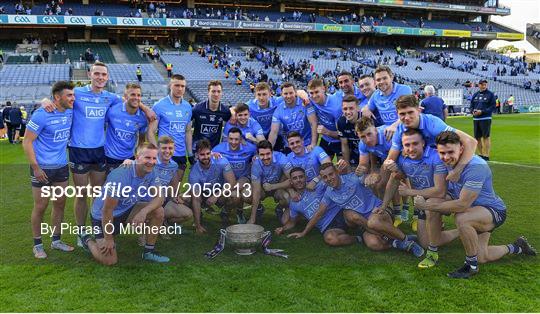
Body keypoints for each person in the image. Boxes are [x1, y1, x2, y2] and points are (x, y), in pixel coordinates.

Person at [42, 61, 155, 248]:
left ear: (107, 77)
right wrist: (45, 101)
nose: (100, 77)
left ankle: (98, 229)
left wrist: (145, 108)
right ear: (89, 75)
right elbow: (57, 99)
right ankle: (80, 232)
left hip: (99, 151)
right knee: (81, 194)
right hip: (78, 150)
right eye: (97, 74)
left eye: (103, 74)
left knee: (98, 193)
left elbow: (131, 100)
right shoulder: (77, 94)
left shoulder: (110, 98)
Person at [414, 131, 537, 278]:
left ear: (461, 149)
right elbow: (440, 191)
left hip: (491, 211)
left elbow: (462, 205)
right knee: (435, 203)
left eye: (450, 152)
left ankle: (471, 266)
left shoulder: (476, 166)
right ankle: (432, 252)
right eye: (442, 153)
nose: (446, 157)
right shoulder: (441, 161)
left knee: (463, 220)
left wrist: (425, 206)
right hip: (471, 209)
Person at [287, 163, 425, 257]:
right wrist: (304, 232)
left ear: (337, 172)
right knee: (374, 244)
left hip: (379, 212)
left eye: (331, 174)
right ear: (322, 179)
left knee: (373, 223)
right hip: (364, 223)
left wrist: (373, 177)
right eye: (325, 177)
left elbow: (372, 178)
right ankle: (395, 241)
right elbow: (319, 213)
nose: (329, 179)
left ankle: (407, 241)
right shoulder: (329, 192)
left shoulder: (352, 178)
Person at [82, 144, 171, 265]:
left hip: (126, 211)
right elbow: (107, 210)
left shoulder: (152, 171)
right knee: (110, 261)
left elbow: (160, 197)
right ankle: (87, 240)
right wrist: (108, 239)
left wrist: (143, 212)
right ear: (137, 157)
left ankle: (148, 252)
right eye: (147, 158)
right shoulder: (120, 176)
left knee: (158, 211)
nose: (151, 162)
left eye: (154, 158)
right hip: (102, 217)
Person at [381, 129, 459, 256]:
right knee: (426, 243)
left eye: (415, 144)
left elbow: (440, 191)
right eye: (407, 145)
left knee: (430, 205)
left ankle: (439, 223)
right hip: (426, 200)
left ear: (423, 143)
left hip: (450, 198)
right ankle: (460, 231)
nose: (411, 149)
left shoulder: (435, 157)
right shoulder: (402, 159)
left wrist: (409, 192)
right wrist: (384, 206)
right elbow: (395, 180)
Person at [22, 81, 75, 259]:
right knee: (41, 206)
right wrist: (35, 167)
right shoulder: (41, 114)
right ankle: (37, 245)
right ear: (57, 97)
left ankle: (56, 240)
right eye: (69, 95)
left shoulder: (70, 111)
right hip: (42, 168)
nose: (73, 98)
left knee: (59, 205)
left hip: (61, 167)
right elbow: (27, 141)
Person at [276, 166, 358, 247]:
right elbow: (292, 222)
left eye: (301, 177)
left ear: (305, 177)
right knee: (331, 239)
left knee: (353, 215)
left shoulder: (317, 186)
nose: (298, 180)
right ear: (291, 181)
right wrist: (282, 228)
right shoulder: (294, 203)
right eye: (295, 178)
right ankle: (357, 239)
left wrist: (316, 180)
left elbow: (331, 177)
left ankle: (365, 226)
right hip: (327, 226)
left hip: (341, 214)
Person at [150, 74, 193, 183]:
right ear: (170, 85)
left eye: (182, 86)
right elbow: (150, 131)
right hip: (165, 154)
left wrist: (190, 154)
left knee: (175, 192)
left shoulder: (188, 106)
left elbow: (188, 131)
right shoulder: (159, 105)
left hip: (181, 154)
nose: (180, 89)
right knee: (160, 190)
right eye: (177, 85)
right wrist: (156, 152)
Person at [189, 139, 237, 233]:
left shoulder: (221, 160)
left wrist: (216, 195)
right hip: (204, 195)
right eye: (202, 155)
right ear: (196, 156)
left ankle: (225, 212)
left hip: (220, 192)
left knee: (236, 196)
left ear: (211, 152)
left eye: (208, 153)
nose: (206, 157)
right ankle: (199, 217)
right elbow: (196, 198)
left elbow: (232, 182)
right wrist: (198, 226)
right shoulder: (194, 172)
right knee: (188, 198)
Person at [104, 83, 153, 172]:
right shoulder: (113, 111)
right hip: (109, 157)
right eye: (133, 94)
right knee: (109, 185)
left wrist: (138, 157)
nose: (136, 98)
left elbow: (141, 140)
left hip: (129, 158)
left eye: (139, 95)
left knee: (128, 185)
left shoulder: (142, 118)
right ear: (125, 96)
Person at [212, 128, 257, 224]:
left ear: (241, 139)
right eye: (231, 139)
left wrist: (256, 156)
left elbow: (263, 150)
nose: (233, 142)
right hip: (226, 181)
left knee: (245, 194)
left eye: (236, 139)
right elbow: (206, 157)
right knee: (236, 196)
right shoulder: (218, 148)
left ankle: (243, 211)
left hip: (244, 179)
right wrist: (212, 154)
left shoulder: (250, 148)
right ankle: (227, 210)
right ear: (227, 138)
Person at [362, 65, 412, 138]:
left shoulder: (404, 90)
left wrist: (395, 125)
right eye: (378, 80)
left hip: (405, 130)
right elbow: (367, 107)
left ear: (391, 77)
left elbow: (409, 113)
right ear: (375, 82)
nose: (381, 82)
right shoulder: (376, 95)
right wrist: (366, 109)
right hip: (387, 132)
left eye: (384, 78)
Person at [268, 82, 318, 153]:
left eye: (291, 93)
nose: (288, 96)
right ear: (281, 95)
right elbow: (273, 132)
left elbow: (314, 123)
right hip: (290, 147)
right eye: (285, 94)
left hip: (307, 144)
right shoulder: (278, 110)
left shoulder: (305, 102)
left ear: (295, 93)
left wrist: (313, 144)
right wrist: (268, 151)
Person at [250, 140, 291, 225]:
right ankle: (259, 208)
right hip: (262, 189)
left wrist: (273, 186)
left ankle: (280, 208)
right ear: (258, 155)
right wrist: (252, 218)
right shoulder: (256, 164)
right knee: (248, 195)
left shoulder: (281, 157)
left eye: (268, 154)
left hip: (278, 188)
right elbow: (256, 191)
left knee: (287, 197)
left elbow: (291, 180)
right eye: (262, 154)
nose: (265, 157)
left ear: (272, 152)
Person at [307, 78, 343, 160]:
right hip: (325, 140)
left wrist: (327, 132)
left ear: (323, 89)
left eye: (316, 92)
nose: (314, 96)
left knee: (342, 169)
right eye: (311, 93)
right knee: (323, 169)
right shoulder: (311, 100)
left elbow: (342, 135)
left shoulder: (335, 107)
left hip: (339, 142)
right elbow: (298, 92)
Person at [191, 80, 231, 148]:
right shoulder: (198, 109)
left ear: (222, 93)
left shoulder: (225, 111)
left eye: (219, 91)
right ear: (208, 93)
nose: (216, 94)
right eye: (213, 91)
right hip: (198, 150)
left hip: (215, 150)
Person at [470, 80, 496, 161]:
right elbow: (471, 105)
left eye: (485, 84)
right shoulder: (475, 95)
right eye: (482, 84)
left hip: (485, 118)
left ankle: (486, 155)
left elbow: (492, 107)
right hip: (476, 118)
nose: (484, 86)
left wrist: (482, 111)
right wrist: (472, 111)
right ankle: (481, 154)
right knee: (477, 137)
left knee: (486, 136)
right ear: (479, 85)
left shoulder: (490, 94)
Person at [337, 95, 361, 168]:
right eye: (345, 109)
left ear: (358, 108)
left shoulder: (365, 119)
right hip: (354, 154)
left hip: (369, 154)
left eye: (351, 108)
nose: (348, 112)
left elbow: (371, 145)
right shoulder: (341, 122)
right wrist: (347, 164)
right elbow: (344, 144)